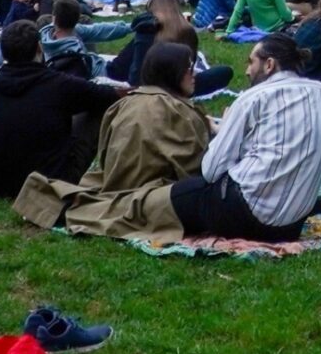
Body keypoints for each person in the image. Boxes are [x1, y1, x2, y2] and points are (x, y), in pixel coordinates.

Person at [170, 32, 321, 241]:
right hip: (289, 228)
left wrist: (224, 133)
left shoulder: (252, 98)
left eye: (251, 62)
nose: (247, 71)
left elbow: (212, 171)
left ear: (269, 64)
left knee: (175, 196)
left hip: (243, 213)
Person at [14, 42, 213, 242]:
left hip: (114, 184)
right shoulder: (180, 112)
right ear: (173, 72)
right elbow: (196, 169)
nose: (193, 74)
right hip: (151, 197)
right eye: (188, 68)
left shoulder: (123, 103)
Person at [0, 21, 123, 200]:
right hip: (50, 182)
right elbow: (108, 95)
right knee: (98, 108)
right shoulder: (58, 84)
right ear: (39, 48)